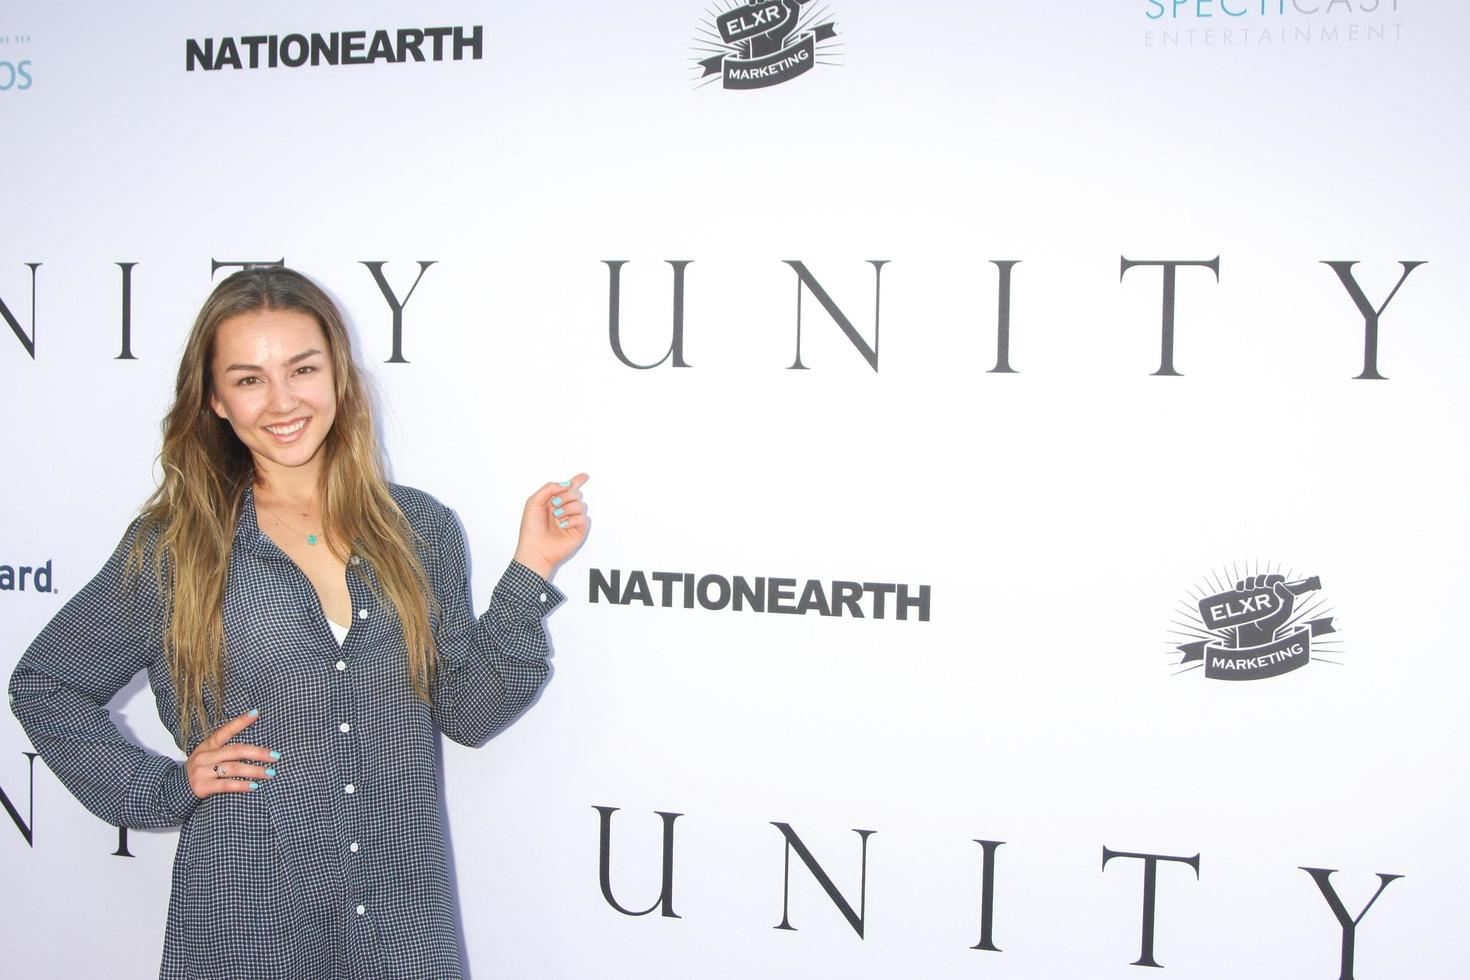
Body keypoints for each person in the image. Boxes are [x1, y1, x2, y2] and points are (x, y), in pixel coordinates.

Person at [8, 266, 587, 980]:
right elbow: (45, 685)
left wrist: (532, 567)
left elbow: (468, 712)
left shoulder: (421, 530)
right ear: (216, 400)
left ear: (339, 376)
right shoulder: (175, 549)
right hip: (246, 923)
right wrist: (162, 787)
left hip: (400, 926)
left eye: (302, 369)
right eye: (249, 379)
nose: (282, 401)